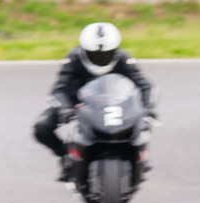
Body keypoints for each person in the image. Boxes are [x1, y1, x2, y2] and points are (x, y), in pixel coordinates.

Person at [33, 22, 155, 181]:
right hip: (77, 104)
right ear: (84, 50)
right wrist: (65, 109)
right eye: (94, 54)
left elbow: (146, 86)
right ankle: (66, 156)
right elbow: (59, 89)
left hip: (116, 103)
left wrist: (148, 108)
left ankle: (140, 155)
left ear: (115, 50)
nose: (101, 58)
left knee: (143, 119)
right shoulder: (74, 58)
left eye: (107, 54)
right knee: (42, 127)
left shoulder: (123, 58)